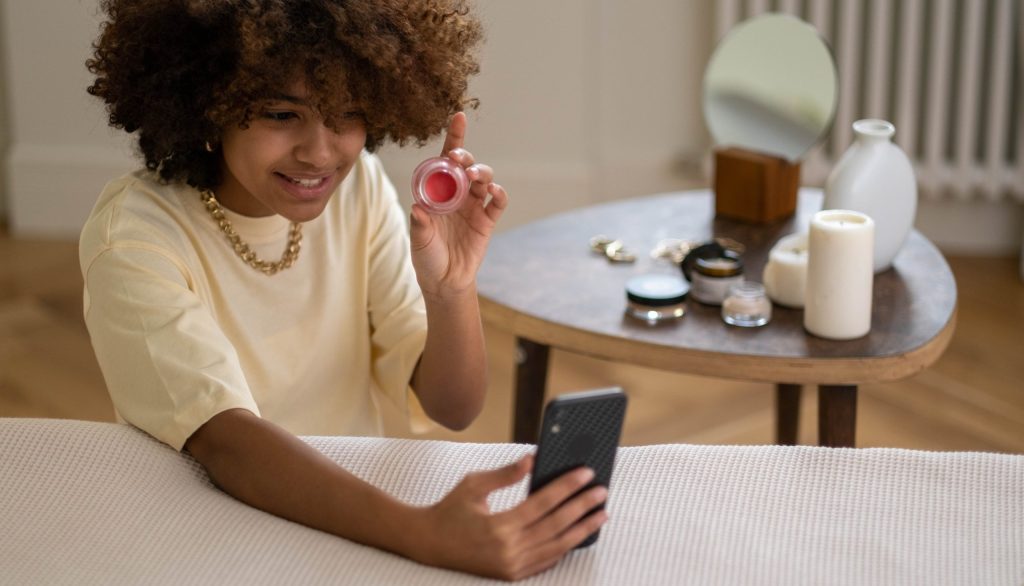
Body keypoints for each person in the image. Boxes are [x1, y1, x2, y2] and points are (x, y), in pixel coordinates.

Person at [81, 0, 607, 580]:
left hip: (363, 507)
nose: (320, 152)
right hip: (215, 528)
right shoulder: (133, 241)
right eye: (281, 114)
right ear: (209, 106)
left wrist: (452, 289)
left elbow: (452, 407)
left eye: (348, 113)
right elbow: (225, 443)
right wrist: (423, 534)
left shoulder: (358, 193)